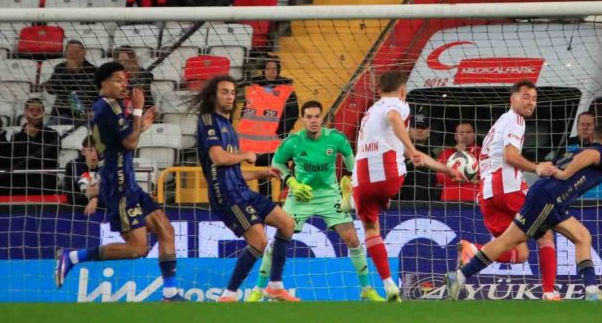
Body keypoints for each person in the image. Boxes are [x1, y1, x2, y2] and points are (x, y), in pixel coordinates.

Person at [446, 123, 602, 301]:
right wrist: (565, 174)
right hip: (549, 198)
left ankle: (591, 291)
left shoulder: (573, 152)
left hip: (549, 197)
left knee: (582, 236)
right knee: (509, 241)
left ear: (591, 138)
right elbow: (591, 155)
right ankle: (460, 276)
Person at [55, 62, 185, 302]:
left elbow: (125, 139)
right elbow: (130, 143)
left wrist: (141, 124)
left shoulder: (104, 107)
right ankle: (73, 257)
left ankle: (170, 294)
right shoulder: (108, 107)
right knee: (138, 249)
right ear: (103, 83)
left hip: (127, 181)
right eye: (118, 80)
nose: (124, 84)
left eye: (125, 80)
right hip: (119, 184)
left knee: (166, 229)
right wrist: (137, 111)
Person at [247, 101, 385, 302]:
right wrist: (292, 182)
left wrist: (353, 181)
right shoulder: (293, 141)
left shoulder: (336, 139)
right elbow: (277, 163)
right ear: (302, 119)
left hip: (329, 196)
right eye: (309, 117)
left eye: (317, 116)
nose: (313, 120)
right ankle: (259, 290)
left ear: (322, 118)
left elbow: (349, 158)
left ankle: (366, 289)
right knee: (278, 242)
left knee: (352, 239)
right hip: (300, 197)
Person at [350, 71, 461, 302]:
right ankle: (357, 198)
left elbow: (417, 153)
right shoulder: (397, 104)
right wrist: (411, 149)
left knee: (371, 229)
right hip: (388, 177)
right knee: (395, 173)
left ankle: (389, 284)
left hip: (361, 178)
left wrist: (447, 169)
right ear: (403, 90)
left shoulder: (369, 112)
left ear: (379, 90)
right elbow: (394, 118)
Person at [190, 75, 298, 302]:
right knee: (258, 241)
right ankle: (228, 295)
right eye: (224, 92)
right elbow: (218, 158)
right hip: (226, 195)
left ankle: (275, 286)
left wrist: (263, 171)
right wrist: (245, 155)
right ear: (213, 96)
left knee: (287, 223)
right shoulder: (208, 121)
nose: (230, 96)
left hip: (240, 189)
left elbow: (234, 171)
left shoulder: (228, 126)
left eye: (232, 92)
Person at [454, 81, 559, 300]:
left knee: (519, 253)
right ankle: (550, 293)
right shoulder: (515, 119)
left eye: (534, 98)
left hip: (487, 193)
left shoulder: (499, 123)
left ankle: (472, 249)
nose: (530, 102)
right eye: (526, 96)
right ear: (512, 99)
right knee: (545, 233)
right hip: (508, 189)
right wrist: (536, 167)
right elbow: (509, 156)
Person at [237, 57, 299, 155]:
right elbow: (245, 111)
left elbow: (293, 114)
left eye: (274, 69)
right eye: (268, 68)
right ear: (263, 70)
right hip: (250, 144)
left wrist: (280, 133)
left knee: (272, 168)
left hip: (273, 143)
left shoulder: (287, 91)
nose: (271, 71)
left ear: (278, 71)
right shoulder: (253, 89)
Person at [9, 98, 62, 195]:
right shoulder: (16, 138)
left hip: (45, 185)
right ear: (25, 113)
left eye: (38, 111)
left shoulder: (53, 135)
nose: (35, 113)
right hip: (21, 186)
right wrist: (27, 136)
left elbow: (49, 160)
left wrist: (30, 140)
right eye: (31, 110)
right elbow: (17, 162)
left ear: (43, 113)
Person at [44, 40, 97, 126]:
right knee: (49, 128)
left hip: (84, 114)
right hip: (62, 113)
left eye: (76, 52)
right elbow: (51, 90)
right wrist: (66, 72)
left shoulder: (93, 71)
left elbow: (86, 93)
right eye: (70, 53)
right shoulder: (60, 68)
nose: (73, 56)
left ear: (84, 53)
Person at [567, 112, 602, 201]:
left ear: (595, 127)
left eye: (589, 124)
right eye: (582, 124)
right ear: (577, 127)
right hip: (575, 201)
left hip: (601, 201)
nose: (585, 127)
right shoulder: (566, 146)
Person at [397, 109, 438, 201]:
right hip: (403, 205)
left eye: (423, 127)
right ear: (408, 129)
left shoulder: (434, 156)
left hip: (430, 205)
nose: (419, 130)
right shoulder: (399, 152)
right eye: (415, 126)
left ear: (428, 130)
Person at [435, 122, 480, 202]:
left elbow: (485, 176)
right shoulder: (446, 154)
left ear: (474, 135)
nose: (465, 135)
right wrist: (471, 179)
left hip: (475, 200)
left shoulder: (482, 152)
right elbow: (440, 177)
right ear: (455, 136)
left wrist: (454, 175)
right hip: (449, 200)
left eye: (468, 132)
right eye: (461, 133)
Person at [63, 135, 102, 207]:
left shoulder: (106, 166)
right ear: (83, 152)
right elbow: (70, 196)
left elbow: (113, 195)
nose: (94, 154)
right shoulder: (73, 166)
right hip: (79, 210)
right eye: (90, 150)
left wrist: (96, 199)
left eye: (97, 151)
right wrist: (87, 196)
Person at [113, 45, 155, 111]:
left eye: (127, 61)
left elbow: (141, 91)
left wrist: (128, 92)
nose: (123, 63)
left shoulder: (142, 73)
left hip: (140, 108)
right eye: (120, 61)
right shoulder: (114, 74)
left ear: (132, 60)